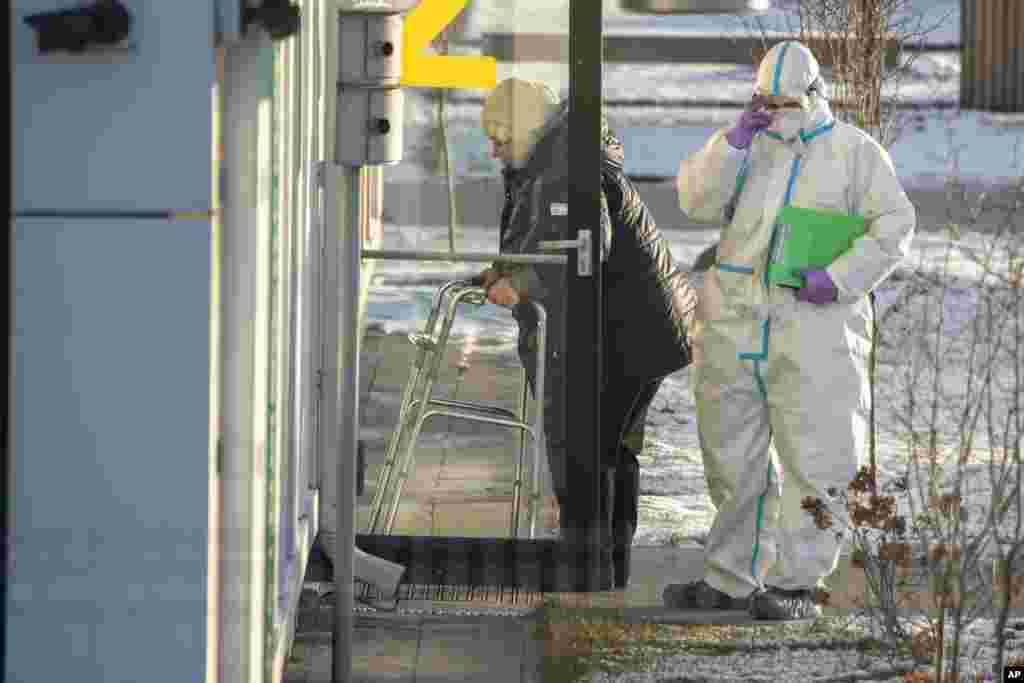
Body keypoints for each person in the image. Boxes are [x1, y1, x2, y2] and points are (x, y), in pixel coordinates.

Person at [671, 41, 916, 619]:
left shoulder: (856, 154)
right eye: (764, 102)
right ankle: (730, 577)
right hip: (734, 325)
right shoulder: (745, 149)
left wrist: (838, 278)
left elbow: (896, 224)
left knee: (818, 453)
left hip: (816, 329)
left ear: (813, 96)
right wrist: (731, 142)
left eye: (782, 103)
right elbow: (694, 201)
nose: (773, 113)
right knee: (730, 457)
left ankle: (798, 584)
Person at [477, 78, 698, 588]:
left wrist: (524, 281)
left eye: (500, 137)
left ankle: (590, 570)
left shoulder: (566, 168)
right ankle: (601, 568)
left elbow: (581, 246)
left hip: (627, 333)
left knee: (592, 449)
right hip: (630, 327)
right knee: (608, 451)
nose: (493, 150)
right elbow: (539, 234)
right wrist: (503, 270)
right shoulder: (550, 158)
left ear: (530, 128)